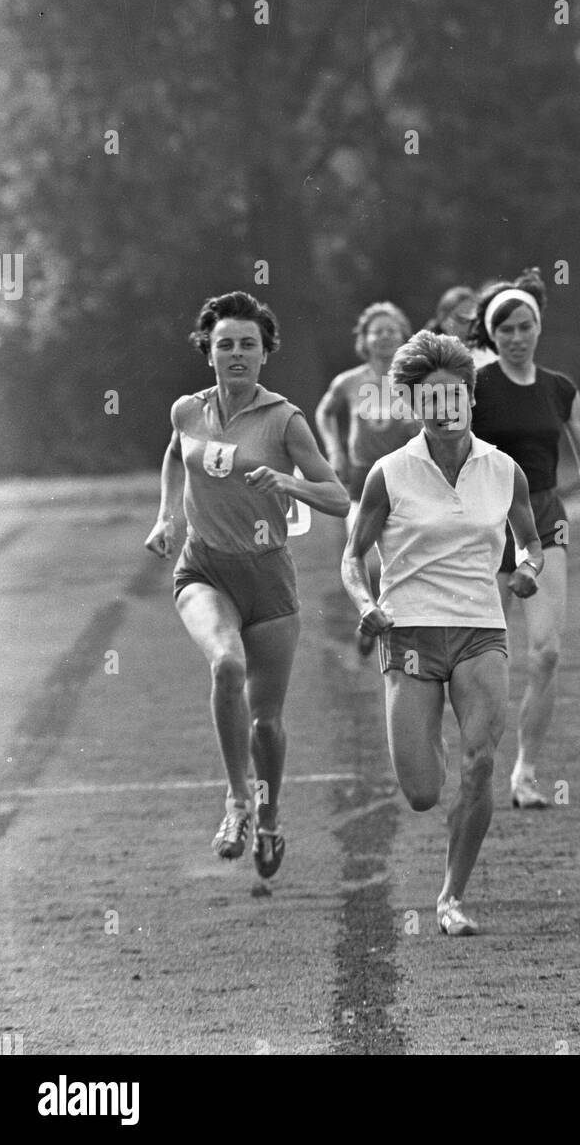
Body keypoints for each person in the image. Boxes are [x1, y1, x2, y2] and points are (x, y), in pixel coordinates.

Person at [341, 330, 543, 935]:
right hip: (409, 635)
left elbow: (530, 543)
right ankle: (431, 737)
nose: (446, 408)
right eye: (431, 399)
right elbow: (352, 558)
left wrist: (529, 571)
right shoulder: (389, 473)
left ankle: (452, 896)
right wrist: (365, 602)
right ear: (413, 405)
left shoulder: (504, 471)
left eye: (455, 396)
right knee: (424, 791)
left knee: (481, 766)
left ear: (471, 399)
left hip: (482, 630)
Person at [144, 291, 349, 876]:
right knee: (226, 666)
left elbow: (336, 496)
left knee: (267, 723)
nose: (236, 353)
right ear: (208, 351)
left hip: (268, 580)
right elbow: (173, 455)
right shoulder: (187, 409)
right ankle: (236, 801)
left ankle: (270, 814)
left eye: (248, 345)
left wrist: (289, 483)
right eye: (225, 343)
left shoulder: (285, 419)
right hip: (204, 568)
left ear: (264, 354)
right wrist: (167, 515)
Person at [470, 268, 580, 809]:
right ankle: (476, 758)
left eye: (524, 325)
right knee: (478, 654)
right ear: (492, 334)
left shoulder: (560, 388)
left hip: (545, 518)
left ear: (538, 327)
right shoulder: (475, 386)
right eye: (505, 328)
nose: (516, 336)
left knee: (547, 653)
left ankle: (526, 772)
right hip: (487, 524)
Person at [316, 301, 418, 654]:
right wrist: (335, 450)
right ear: (365, 339)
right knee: (367, 559)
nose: (385, 337)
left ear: (404, 336)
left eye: (392, 330)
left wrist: (416, 426)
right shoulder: (349, 382)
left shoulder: (417, 380)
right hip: (362, 479)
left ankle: (395, 630)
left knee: (403, 559)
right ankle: (370, 615)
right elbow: (325, 412)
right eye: (378, 331)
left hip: (406, 478)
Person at [428, 285, 497, 369]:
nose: (470, 326)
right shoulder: (423, 363)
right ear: (443, 321)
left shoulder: (493, 359)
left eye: (475, 319)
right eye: (461, 319)